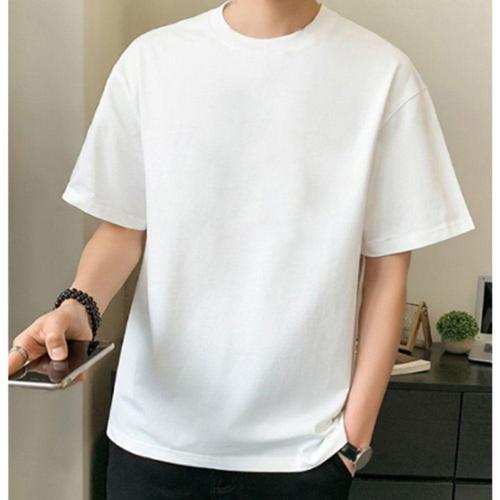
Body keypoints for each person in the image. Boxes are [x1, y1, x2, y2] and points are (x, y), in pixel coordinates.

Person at [8, 0, 476, 498]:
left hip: (304, 458)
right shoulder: (151, 61)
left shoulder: (385, 76)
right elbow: (122, 231)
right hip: (151, 443)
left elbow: (387, 270)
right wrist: (78, 307)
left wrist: (352, 443)